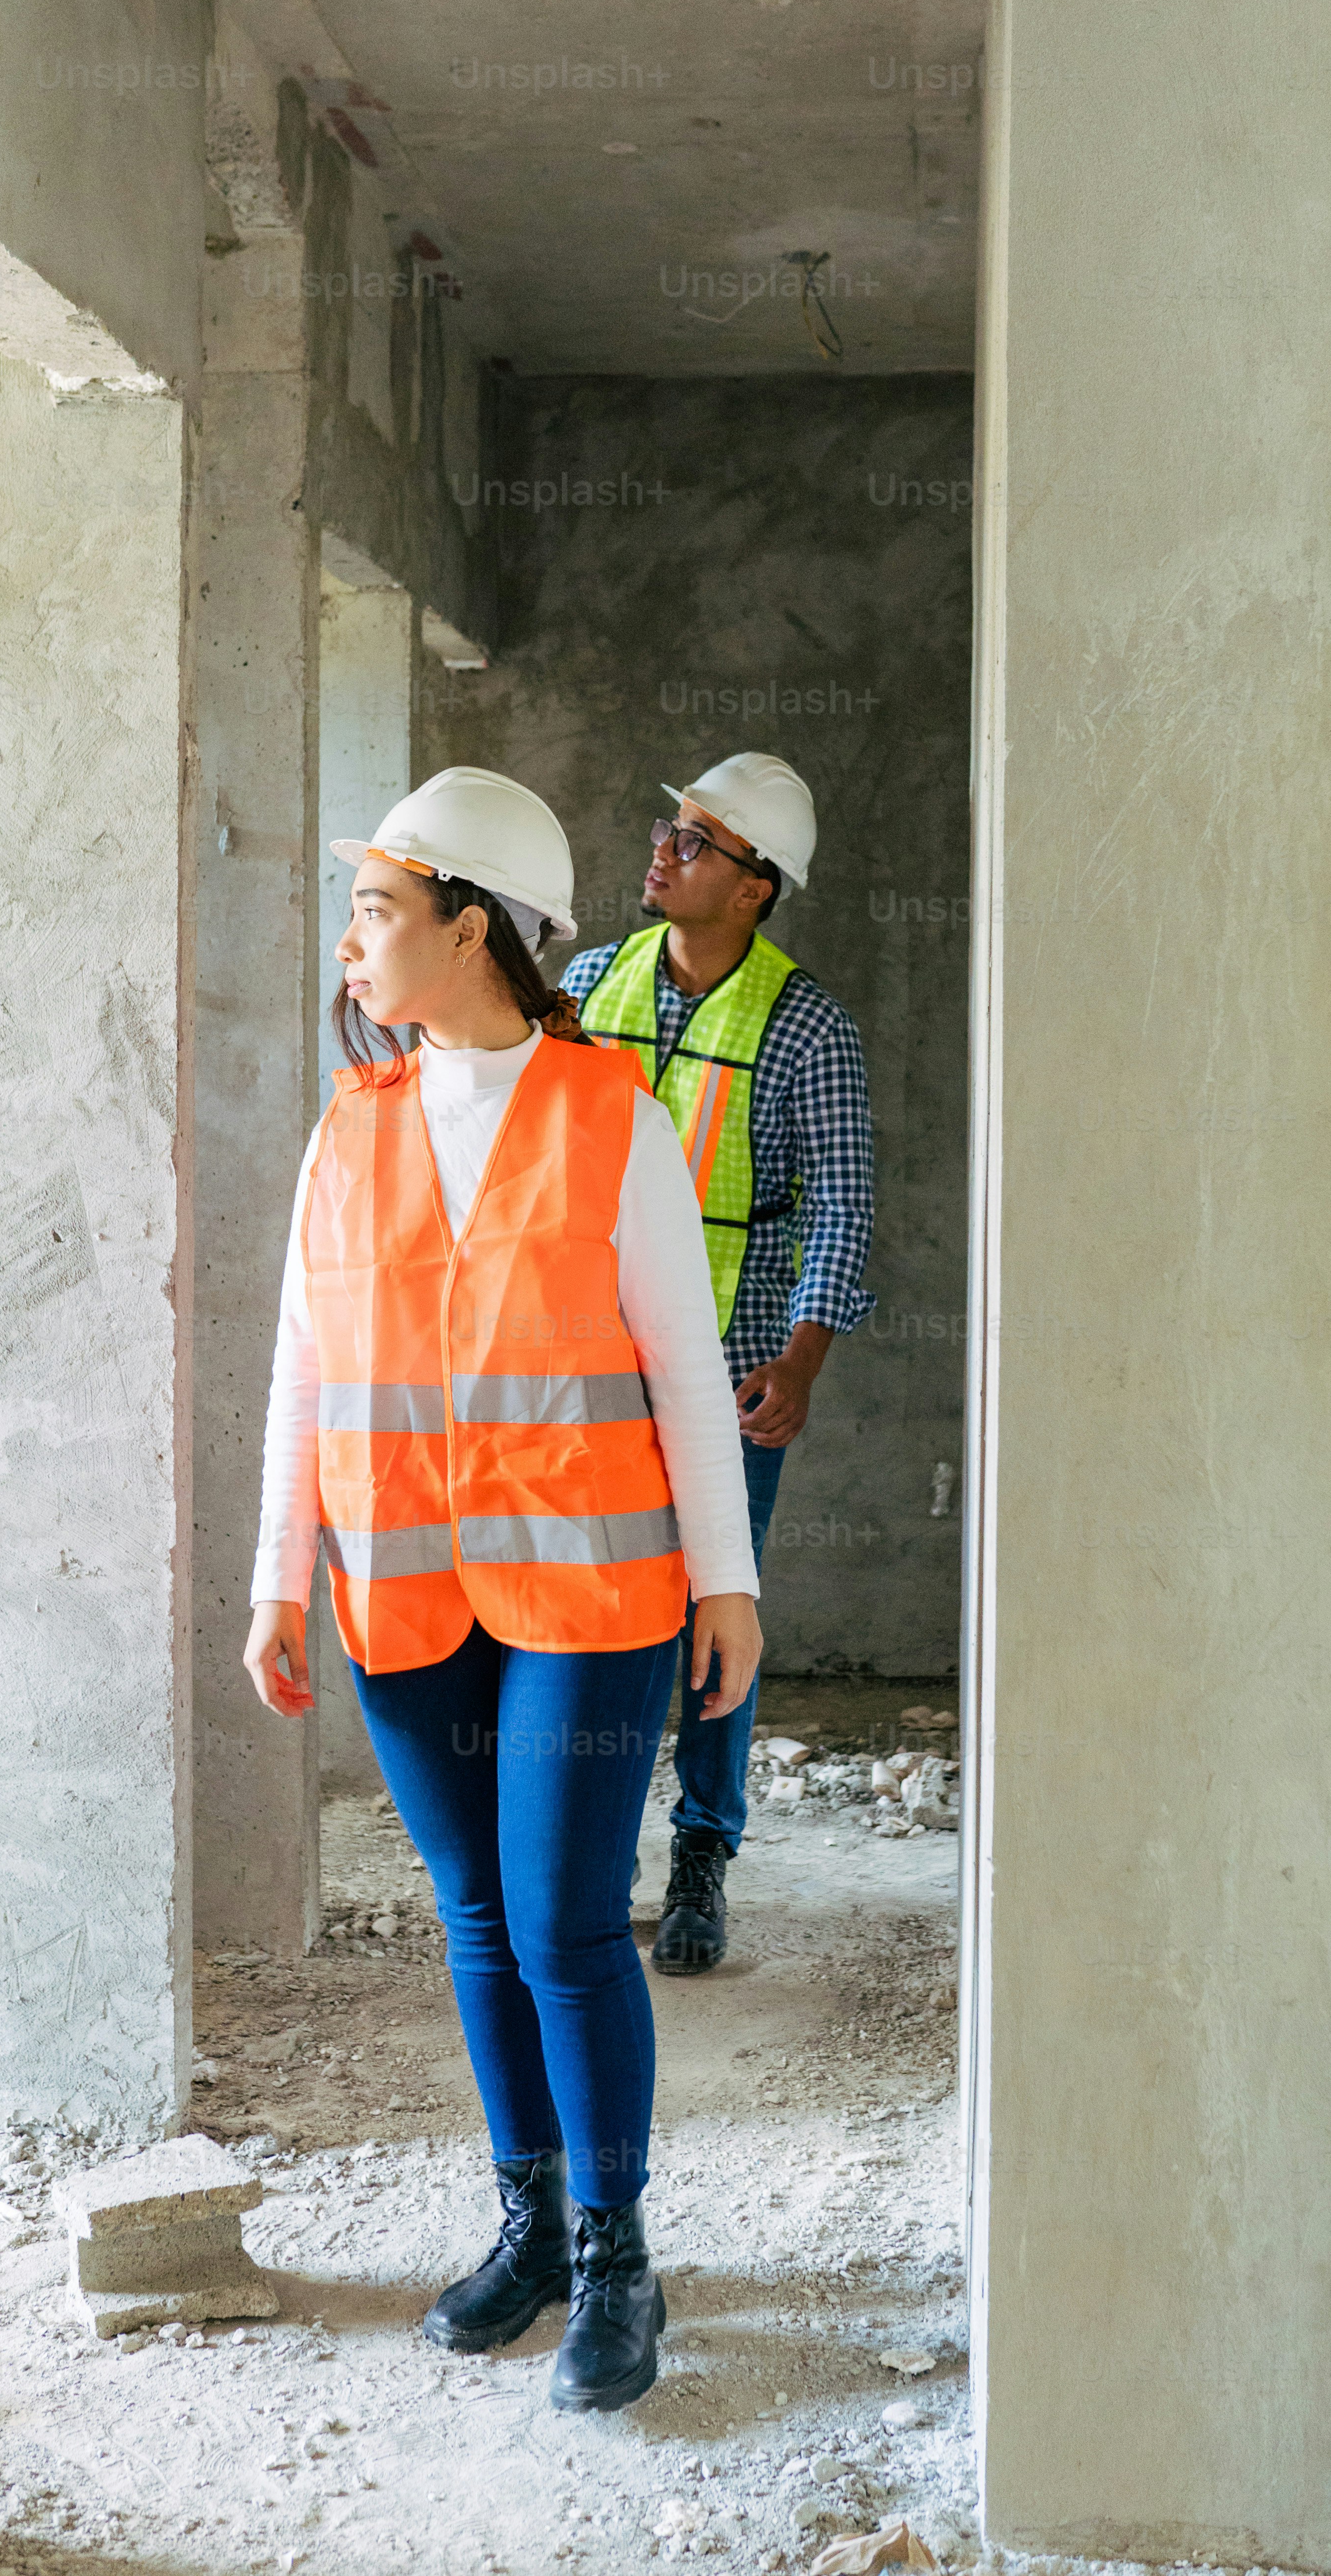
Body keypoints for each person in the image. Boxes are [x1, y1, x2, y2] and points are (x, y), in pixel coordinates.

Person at [241, 764, 761, 2415]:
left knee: (558, 1919)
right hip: (401, 1582)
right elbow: (302, 1371)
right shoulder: (353, 1124)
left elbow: (684, 1364)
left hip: (593, 1593)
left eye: (376, 909)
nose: (349, 941)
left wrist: (727, 1583)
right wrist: (275, 1580)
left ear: (468, 928)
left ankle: (618, 2251)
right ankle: (527, 2219)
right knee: (474, 1916)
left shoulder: (611, 1115)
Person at [562, 753, 875, 1975]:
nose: (663, 849)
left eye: (696, 842)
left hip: (729, 1381)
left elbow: (842, 1209)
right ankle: (586, 1847)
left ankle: (702, 1852)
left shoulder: (808, 1030)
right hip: (588, 1371)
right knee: (586, 1614)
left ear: (756, 889)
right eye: (669, 829)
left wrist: (800, 1362)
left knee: (711, 1618)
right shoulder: (590, 986)